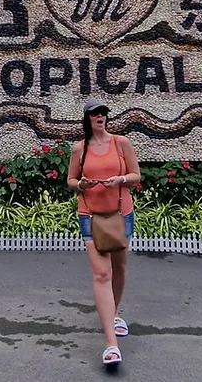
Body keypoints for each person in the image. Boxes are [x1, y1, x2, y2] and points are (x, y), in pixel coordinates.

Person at [66, 98, 140, 367]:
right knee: (101, 274)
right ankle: (112, 345)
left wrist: (120, 180)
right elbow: (71, 181)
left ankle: (115, 313)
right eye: (95, 114)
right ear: (87, 119)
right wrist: (81, 185)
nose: (100, 117)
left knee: (119, 268)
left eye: (103, 114)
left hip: (121, 214)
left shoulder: (121, 143)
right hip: (91, 216)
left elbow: (136, 175)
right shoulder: (79, 149)